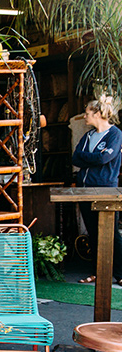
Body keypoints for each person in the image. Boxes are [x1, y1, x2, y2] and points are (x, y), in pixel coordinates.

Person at [73, 97, 122, 286]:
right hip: (85, 189)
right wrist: (93, 157)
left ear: (98, 113)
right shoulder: (88, 136)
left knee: (111, 233)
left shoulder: (115, 134)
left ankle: (119, 273)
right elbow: (76, 158)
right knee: (93, 232)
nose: (84, 116)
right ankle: (97, 272)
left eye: (87, 112)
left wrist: (89, 158)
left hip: (105, 189)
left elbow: (105, 159)